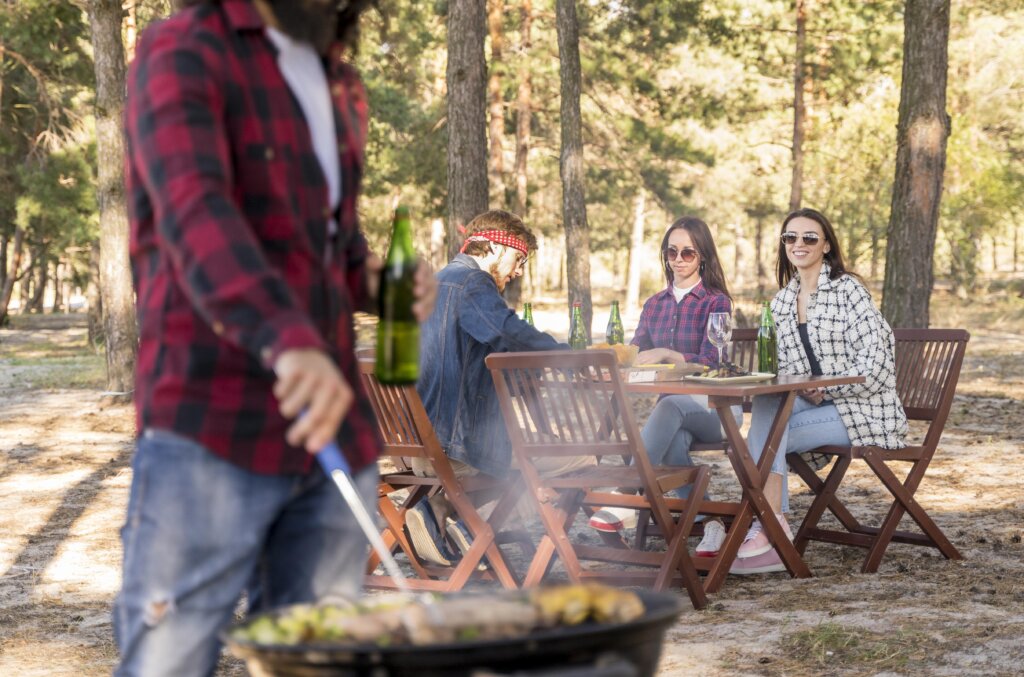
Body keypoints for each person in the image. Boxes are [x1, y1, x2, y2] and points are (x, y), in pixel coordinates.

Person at [115, 1, 435, 675]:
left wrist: (378, 284)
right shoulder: (183, 51)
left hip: (332, 440)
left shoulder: (339, 82)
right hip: (209, 430)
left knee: (317, 663)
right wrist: (287, 339)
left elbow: (332, 250)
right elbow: (197, 214)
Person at [405, 210, 593, 566]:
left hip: (417, 445)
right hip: (455, 449)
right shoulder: (472, 283)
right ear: (492, 246)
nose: (519, 270)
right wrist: (570, 358)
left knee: (517, 451)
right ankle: (462, 520)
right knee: (580, 456)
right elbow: (506, 332)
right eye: (518, 258)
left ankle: (448, 514)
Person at [730, 207, 908, 575]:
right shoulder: (781, 303)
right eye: (790, 237)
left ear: (826, 245)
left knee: (766, 442)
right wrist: (804, 385)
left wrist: (823, 386)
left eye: (809, 237)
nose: (799, 244)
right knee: (768, 404)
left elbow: (877, 366)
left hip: (864, 410)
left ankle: (765, 528)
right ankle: (773, 521)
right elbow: (789, 369)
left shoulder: (848, 291)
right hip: (818, 403)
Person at [588, 216, 737, 558]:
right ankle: (713, 523)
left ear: (703, 257)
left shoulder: (717, 301)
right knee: (672, 446)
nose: (679, 260)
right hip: (672, 414)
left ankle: (626, 495)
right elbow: (635, 354)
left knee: (668, 407)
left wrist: (670, 354)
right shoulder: (654, 304)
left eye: (688, 252)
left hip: (715, 409)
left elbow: (714, 363)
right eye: (672, 252)